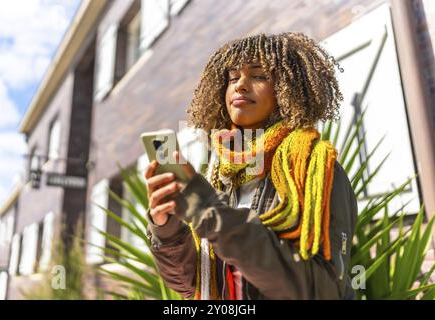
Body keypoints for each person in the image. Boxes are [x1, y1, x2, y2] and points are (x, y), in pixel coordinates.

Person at [144, 32, 358, 300]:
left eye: (259, 76)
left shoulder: (315, 171)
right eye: (233, 78)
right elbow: (192, 286)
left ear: (287, 90)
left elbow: (321, 291)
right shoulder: (218, 176)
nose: (240, 85)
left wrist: (209, 211)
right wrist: (167, 227)